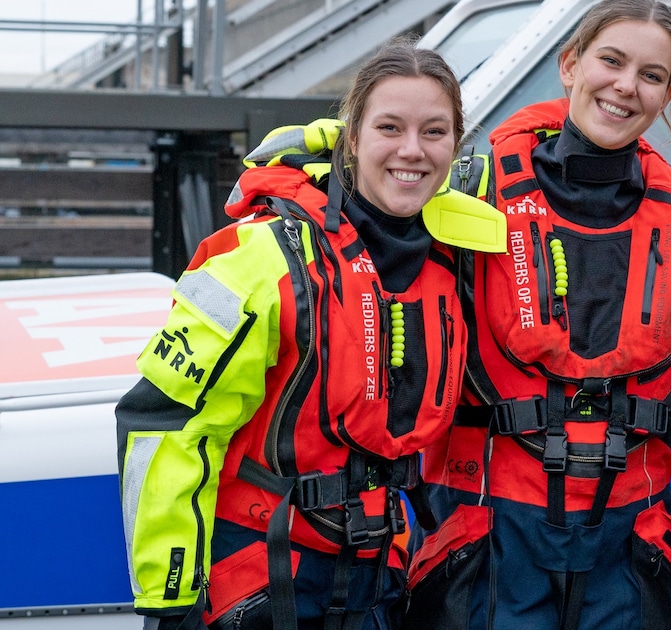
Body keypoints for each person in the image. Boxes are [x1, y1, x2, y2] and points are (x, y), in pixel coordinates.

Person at [115, 37, 504, 630]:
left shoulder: (457, 260)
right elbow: (166, 425)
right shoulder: (262, 257)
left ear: (455, 145)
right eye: (389, 127)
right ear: (351, 138)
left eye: (434, 131)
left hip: (380, 577)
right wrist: (172, 602)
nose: (411, 150)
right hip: (260, 577)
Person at [404, 1, 671, 629]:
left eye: (652, 75)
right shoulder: (467, 193)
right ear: (570, 64)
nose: (626, 86)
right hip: (491, 538)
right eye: (611, 61)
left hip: (629, 546)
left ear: (670, 94)